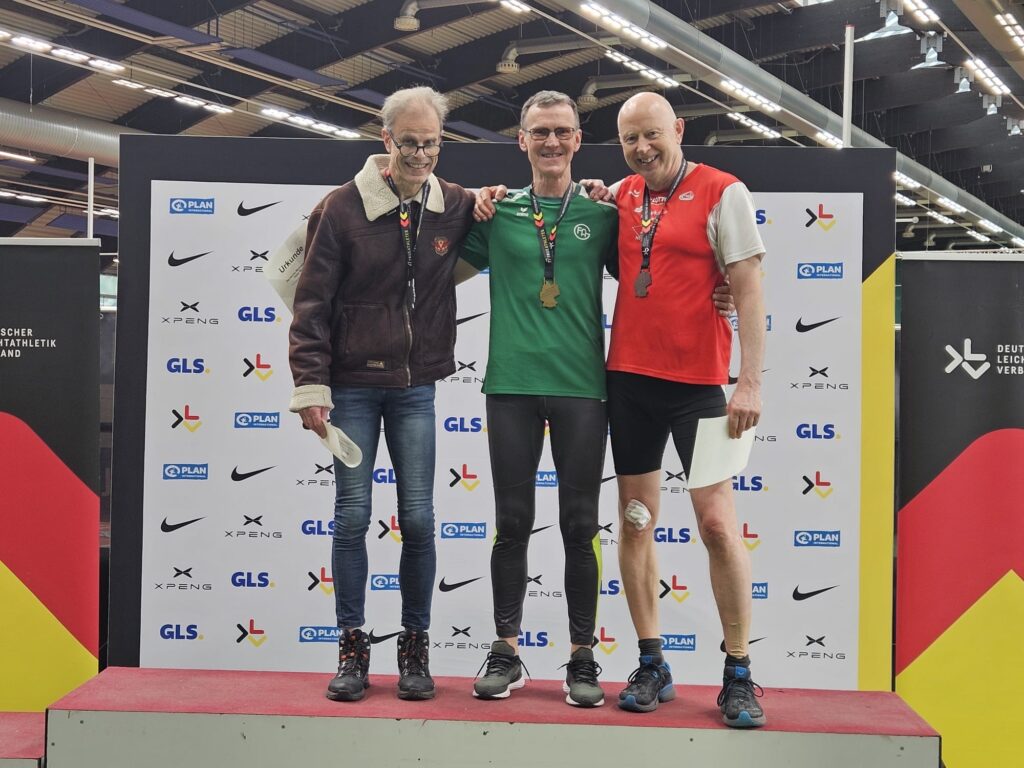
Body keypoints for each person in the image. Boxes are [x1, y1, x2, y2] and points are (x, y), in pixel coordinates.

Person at [465, 92, 735, 708]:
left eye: (562, 131)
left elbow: (665, 264)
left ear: (578, 140)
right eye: (540, 132)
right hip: (510, 385)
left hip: (585, 388)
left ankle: (582, 656)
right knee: (512, 523)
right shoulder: (496, 211)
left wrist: (722, 290)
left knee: (580, 525)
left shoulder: (606, 212)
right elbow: (435, 258)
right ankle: (505, 650)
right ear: (521, 140)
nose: (551, 142)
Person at [287, 86, 475, 703]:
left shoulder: (454, 204)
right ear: (386, 138)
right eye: (411, 142)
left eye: (432, 143)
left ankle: (415, 648)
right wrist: (310, 386)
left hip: (416, 389)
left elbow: (518, 211)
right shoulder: (340, 209)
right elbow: (310, 305)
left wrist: (591, 193)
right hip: (351, 389)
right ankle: (352, 648)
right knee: (352, 517)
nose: (421, 155)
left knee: (418, 519)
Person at [602, 92, 768, 727]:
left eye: (652, 134)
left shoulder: (724, 191)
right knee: (636, 522)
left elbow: (748, 287)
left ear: (678, 128)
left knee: (718, 525)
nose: (642, 148)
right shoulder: (620, 196)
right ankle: (652, 661)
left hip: (699, 387)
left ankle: (739, 671)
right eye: (630, 140)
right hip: (630, 384)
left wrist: (748, 382)